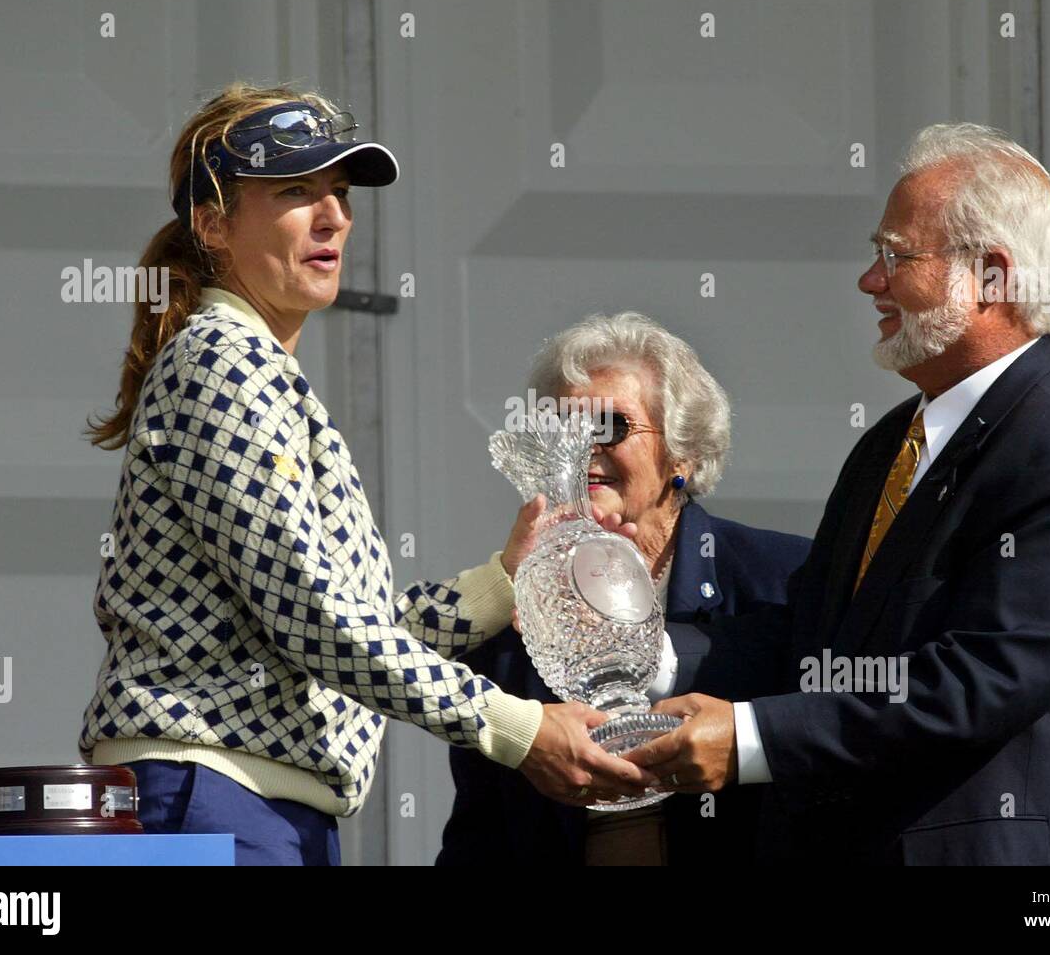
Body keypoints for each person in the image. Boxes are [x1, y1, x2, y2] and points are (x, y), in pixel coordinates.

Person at [79, 83, 652, 865]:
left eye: (340, 194)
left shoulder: (255, 368)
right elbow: (318, 622)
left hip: (248, 805)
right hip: (208, 801)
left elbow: (342, 632)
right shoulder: (219, 359)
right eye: (294, 191)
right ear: (212, 224)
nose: (334, 217)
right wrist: (518, 729)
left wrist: (502, 581)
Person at [627, 123, 1050, 865]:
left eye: (895, 256)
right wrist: (645, 658)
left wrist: (752, 738)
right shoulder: (892, 441)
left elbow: (973, 685)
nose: (870, 281)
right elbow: (819, 637)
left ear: (993, 277)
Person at [437, 312, 811, 865]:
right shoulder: (518, 599)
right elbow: (483, 831)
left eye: (610, 426)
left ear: (681, 451)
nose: (583, 448)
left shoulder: (784, 578)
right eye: (563, 428)